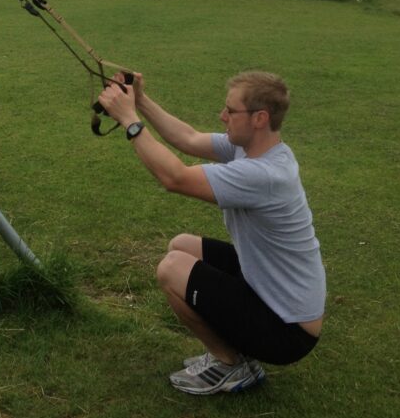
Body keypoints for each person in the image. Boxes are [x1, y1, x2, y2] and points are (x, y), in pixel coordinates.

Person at [96, 70, 325, 396]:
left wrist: (130, 120)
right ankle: (236, 353)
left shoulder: (263, 174)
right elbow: (187, 138)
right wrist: (142, 100)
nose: (222, 116)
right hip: (271, 294)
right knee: (182, 246)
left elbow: (174, 178)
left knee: (172, 268)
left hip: (287, 330)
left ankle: (232, 364)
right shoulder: (253, 150)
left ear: (260, 118)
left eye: (230, 111)